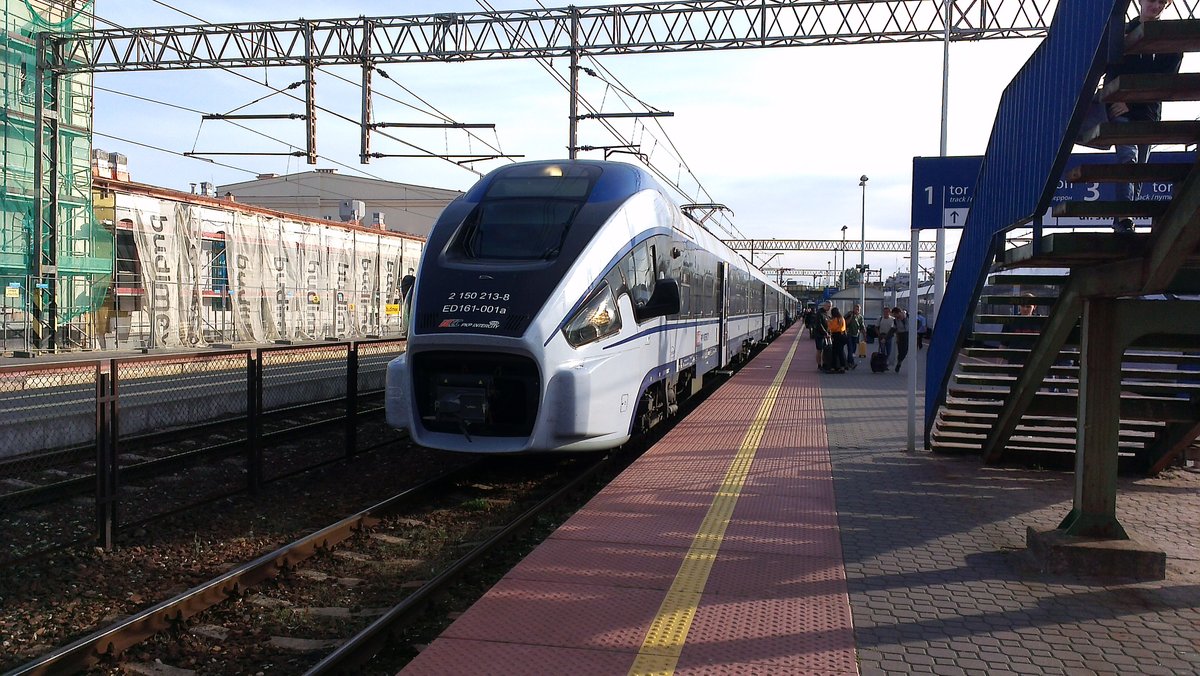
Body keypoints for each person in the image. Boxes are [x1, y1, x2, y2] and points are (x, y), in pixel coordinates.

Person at [1106, 0, 1181, 232]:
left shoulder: (1171, 40)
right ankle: (1123, 219)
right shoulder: (1123, 32)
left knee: (1139, 167)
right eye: (1152, 0)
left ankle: (1126, 218)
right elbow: (1111, 70)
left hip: (1147, 113)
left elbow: (1165, 80)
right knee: (1128, 158)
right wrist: (1116, 99)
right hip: (1121, 109)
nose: (1156, 6)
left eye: (1162, 2)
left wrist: (1131, 100)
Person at [812, 301, 832, 371]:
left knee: (825, 350)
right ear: (824, 305)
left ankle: (825, 363)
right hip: (819, 335)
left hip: (826, 334)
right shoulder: (819, 313)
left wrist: (829, 332)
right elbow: (819, 324)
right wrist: (825, 333)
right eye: (828, 306)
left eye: (830, 306)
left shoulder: (827, 313)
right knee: (819, 350)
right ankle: (819, 365)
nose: (829, 308)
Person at [828, 306, 848, 373]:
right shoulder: (842, 318)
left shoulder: (834, 320)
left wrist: (829, 322)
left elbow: (831, 328)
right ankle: (842, 366)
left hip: (836, 336)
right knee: (841, 352)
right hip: (843, 336)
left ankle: (834, 367)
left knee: (835, 352)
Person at [845, 303, 865, 369]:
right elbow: (845, 323)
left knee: (853, 350)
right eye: (856, 309)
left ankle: (848, 363)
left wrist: (865, 335)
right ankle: (852, 363)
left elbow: (862, 326)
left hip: (856, 335)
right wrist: (851, 317)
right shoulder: (849, 314)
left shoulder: (860, 317)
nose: (857, 311)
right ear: (853, 309)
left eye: (858, 309)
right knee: (850, 349)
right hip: (849, 334)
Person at [893, 307, 910, 373]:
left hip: (907, 334)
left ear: (899, 313)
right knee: (900, 351)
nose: (895, 316)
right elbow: (895, 329)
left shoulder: (908, 316)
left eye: (895, 314)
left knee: (905, 350)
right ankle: (899, 362)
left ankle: (900, 361)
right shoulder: (895, 320)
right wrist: (897, 338)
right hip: (900, 335)